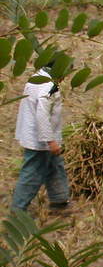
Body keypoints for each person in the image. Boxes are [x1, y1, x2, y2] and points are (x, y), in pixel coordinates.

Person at [12, 63, 71, 212]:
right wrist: (50, 141)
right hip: (39, 139)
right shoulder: (48, 86)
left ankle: (59, 200)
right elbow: (42, 114)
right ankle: (18, 209)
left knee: (54, 167)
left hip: (38, 135)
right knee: (32, 173)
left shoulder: (37, 78)